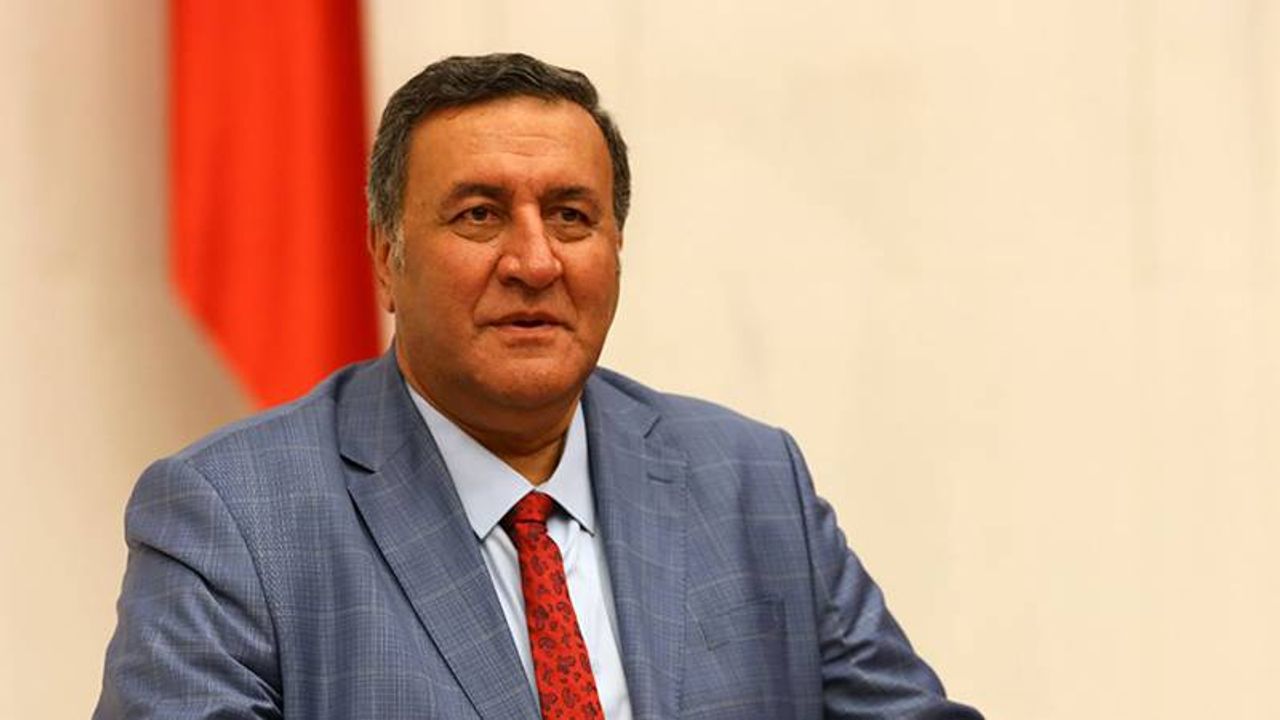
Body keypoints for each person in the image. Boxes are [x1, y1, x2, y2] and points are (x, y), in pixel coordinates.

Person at [95, 53, 982, 720]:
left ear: (616, 249)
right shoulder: (232, 517)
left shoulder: (752, 482)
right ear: (386, 258)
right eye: (480, 215)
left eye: (571, 216)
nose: (534, 261)